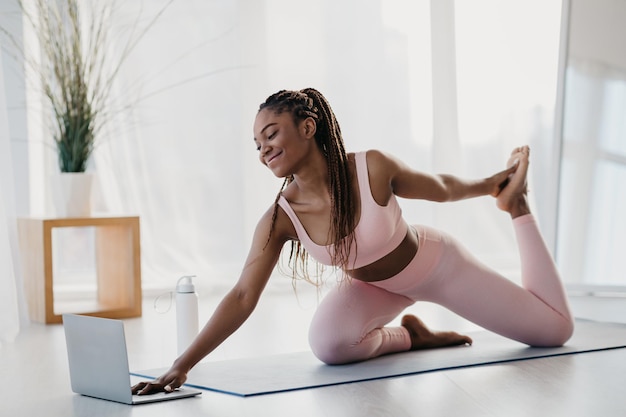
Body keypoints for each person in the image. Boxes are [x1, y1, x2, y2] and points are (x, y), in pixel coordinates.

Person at [132, 88, 574, 395]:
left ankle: (518, 208)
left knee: (555, 332)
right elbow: (244, 295)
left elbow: (440, 186)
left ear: (308, 127)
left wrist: (495, 184)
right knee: (330, 345)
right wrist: (182, 364)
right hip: (373, 289)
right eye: (257, 144)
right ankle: (409, 337)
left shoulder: (371, 168)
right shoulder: (279, 218)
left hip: (437, 269)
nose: (264, 149)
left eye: (271, 135)